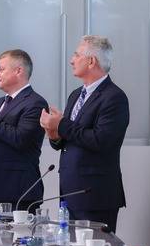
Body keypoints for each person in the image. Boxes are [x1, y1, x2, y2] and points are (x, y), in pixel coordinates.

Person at [40, 35, 129, 232]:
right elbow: (70, 140)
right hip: (69, 193)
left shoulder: (114, 97)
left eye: (76, 55)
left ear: (91, 61)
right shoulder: (75, 95)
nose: (71, 60)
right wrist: (54, 134)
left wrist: (61, 124)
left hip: (95, 195)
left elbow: (101, 140)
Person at [0, 49, 48, 211]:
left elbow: (21, 139)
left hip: (18, 192)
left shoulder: (35, 103)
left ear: (18, 71)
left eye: (1, 69)